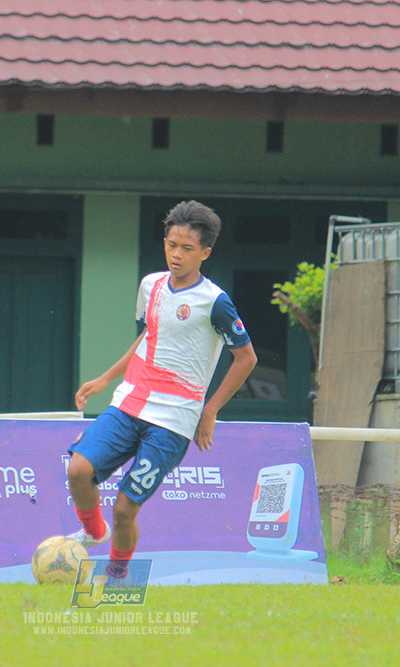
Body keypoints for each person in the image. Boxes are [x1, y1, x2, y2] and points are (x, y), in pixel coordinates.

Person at [65, 200, 257, 578]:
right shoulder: (150, 285)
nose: (176, 254)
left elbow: (246, 358)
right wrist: (107, 377)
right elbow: (149, 336)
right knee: (77, 470)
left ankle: (118, 576)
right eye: (171, 244)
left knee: (125, 510)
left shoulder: (215, 302)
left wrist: (210, 409)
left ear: (205, 252)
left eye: (187, 248)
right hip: (130, 401)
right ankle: (92, 532)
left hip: (174, 420)